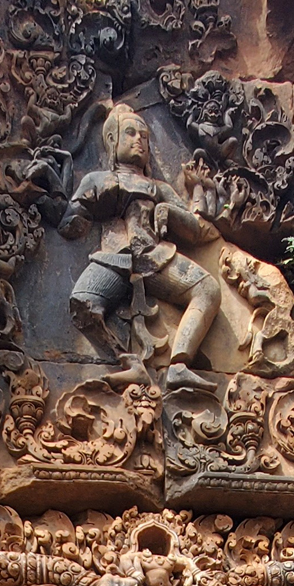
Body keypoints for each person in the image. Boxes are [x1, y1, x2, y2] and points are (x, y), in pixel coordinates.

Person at [59, 103, 219, 391]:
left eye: (144, 136)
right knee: (83, 304)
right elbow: (72, 225)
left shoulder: (157, 187)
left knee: (208, 289)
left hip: (154, 257)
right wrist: (70, 192)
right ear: (112, 140)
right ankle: (130, 363)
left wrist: (170, 210)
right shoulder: (97, 180)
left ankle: (180, 364)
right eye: (130, 133)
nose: (138, 141)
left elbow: (194, 229)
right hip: (115, 259)